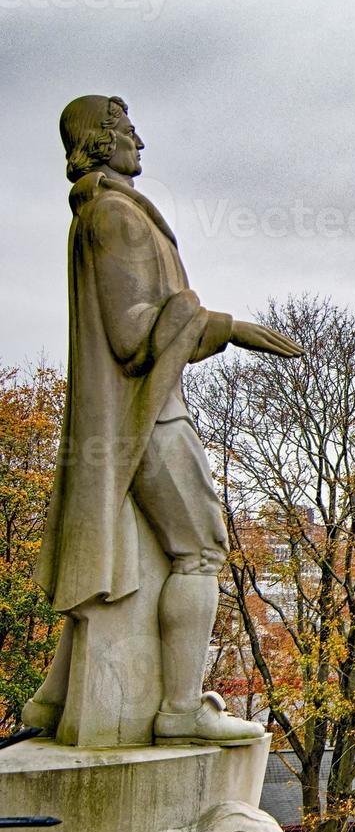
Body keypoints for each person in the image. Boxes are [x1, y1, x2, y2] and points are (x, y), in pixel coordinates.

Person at [25, 95, 303, 745]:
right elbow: (131, 338)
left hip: (129, 418)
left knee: (113, 557)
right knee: (200, 550)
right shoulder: (115, 216)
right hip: (148, 418)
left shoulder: (103, 212)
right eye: (126, 131)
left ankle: (51, 702)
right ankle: (179, 707)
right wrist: (226, 326)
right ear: (99, 142)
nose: (139, 142)